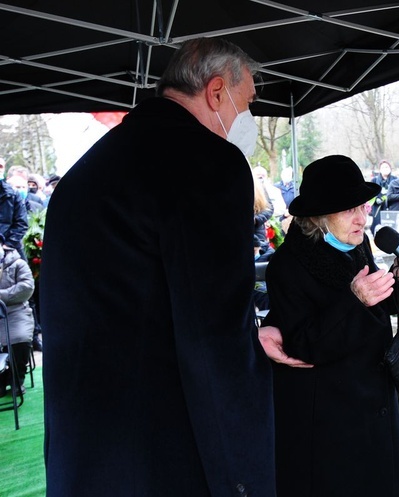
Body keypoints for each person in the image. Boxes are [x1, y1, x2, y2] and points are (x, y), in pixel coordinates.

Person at [40, 37, 306, 497]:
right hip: (163, 441)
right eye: (249, 102)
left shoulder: (91, 166)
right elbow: (214, 324)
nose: (249, 117)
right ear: (217, 92)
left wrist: (248, 331)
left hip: (86, 438)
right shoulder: (209, 161)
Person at [264, 154, 399, 497]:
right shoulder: (287, 267)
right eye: (348, 209)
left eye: (363, 207)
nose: (361, 218)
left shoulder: (356, 244)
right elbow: (304, 345)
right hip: (329, 423)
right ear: (319, 216)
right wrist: (355, 301)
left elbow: (379, 307)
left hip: (375, 406)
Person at [0, 238, 35, 399]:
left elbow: (26, 288)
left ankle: (16, 379)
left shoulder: (17, 263)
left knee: (20, 337)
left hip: (16, 311)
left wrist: (1, 296)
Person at [370, 159, 395, 235]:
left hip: (391, 206)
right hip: (378, 207)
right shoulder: (374, 180)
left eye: (387, 167)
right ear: (380, 169)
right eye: (383, 167)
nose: (385, 169)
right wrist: (377, 199)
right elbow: (371, 194)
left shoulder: (395, 180)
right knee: (377, 226)